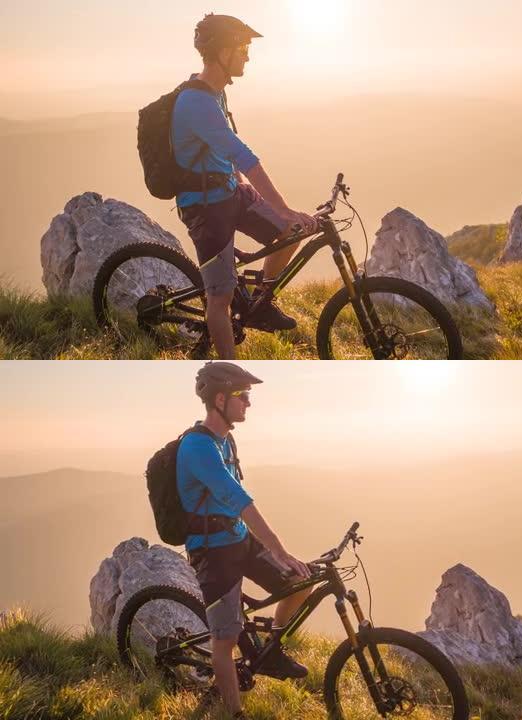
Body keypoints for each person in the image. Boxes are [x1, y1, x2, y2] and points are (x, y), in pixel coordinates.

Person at [172, 14, 319, 359]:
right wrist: (283, 206)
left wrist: (285, 216)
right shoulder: (196, 102)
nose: (247, 56)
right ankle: (229, 376)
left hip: (229, 191)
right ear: (222, 51)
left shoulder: (215, 92)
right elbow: (244, 156)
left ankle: (259, 303)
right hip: (205, 208)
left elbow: (223, 153)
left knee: (291, 230)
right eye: (242, 48)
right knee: (220, 299)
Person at [179, 362, 313, 717]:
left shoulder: (225, 439)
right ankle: (235, 712)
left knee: (300, 582)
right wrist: (280, 550)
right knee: (223, 641)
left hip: (238, 540)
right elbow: (242, 503)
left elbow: (237, 509)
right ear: (220, 399)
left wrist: (281, 558)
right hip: (212, 552)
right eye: (244, 396)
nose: (249, 404)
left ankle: (270, 654)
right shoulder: (198, 448)